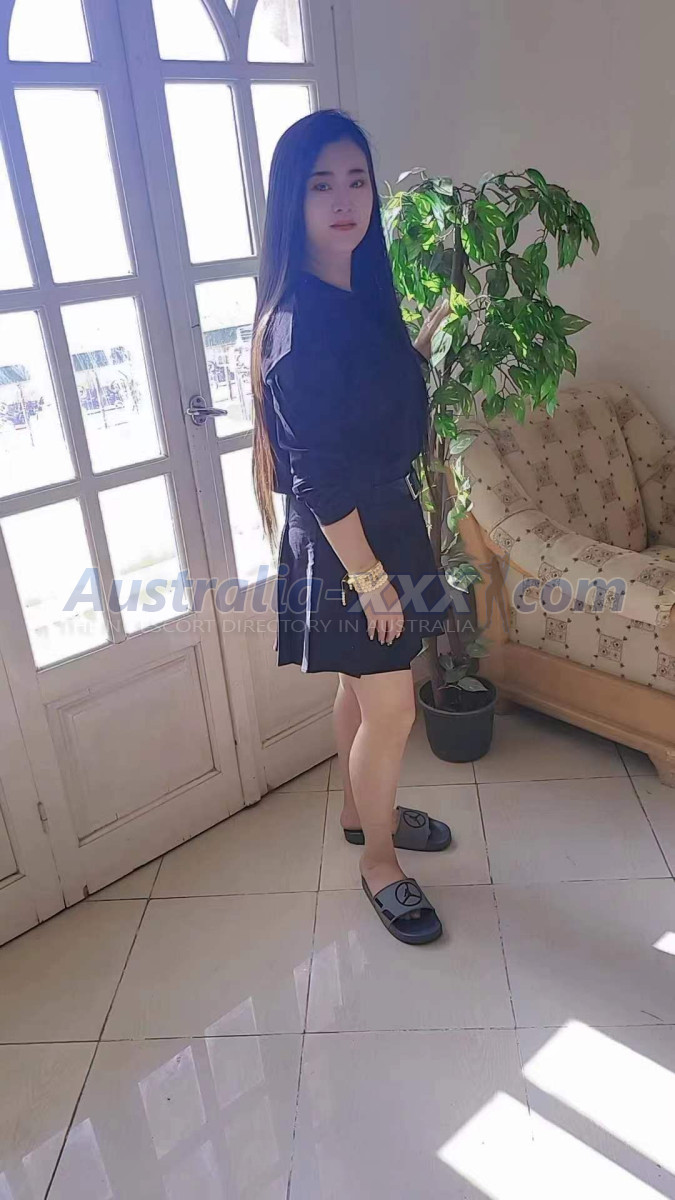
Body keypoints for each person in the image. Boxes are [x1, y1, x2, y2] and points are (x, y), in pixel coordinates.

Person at [251, 109, 455, 945]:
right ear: (291, 203)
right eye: (320, 184)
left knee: (358, 689)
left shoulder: (359, 293)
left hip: (376, 517)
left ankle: (356, 813)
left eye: (356, 180)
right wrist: (370, 581)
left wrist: (420, 347)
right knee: (393, 710)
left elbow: (367, 409)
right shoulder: (301, 322)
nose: (344, 200)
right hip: (346, 537)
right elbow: (318, 474)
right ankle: (379, 860)